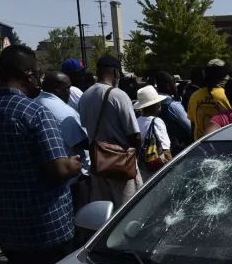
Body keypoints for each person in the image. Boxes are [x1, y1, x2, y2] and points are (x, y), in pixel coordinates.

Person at [0, 45, 84, 264]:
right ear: (29, 75)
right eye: (38, 74)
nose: (39, 80)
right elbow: (58, 169)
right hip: (47, 228)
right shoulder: (35, 112)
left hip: (7, 227)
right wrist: (74, 164)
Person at [78, 54, 143, 208]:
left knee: (104, 212)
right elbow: (135, 135)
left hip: (98, 164)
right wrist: (133, 159)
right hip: (121, 165)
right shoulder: (118, 95)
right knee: (128, 210)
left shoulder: (85, 96)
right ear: (115, 72)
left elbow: (85, 126)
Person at [36, 71, 90, 210]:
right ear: (56, 88)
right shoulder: (61, 111)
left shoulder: (36, 102)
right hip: (72, 179)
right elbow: (81, 142)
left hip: (48, 177)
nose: (69, 93)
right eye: (67, 88)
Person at [133, 85, 174, 176]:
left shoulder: (136, 121)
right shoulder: (157, 122)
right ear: (155, 104)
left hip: (142, 168)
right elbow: (166, 151)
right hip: (156, 169)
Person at [187, 59, 232, 139]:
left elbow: (193, 125)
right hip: (222, 143)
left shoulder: (194, 96)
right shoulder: (227, 96)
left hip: (200, 144)